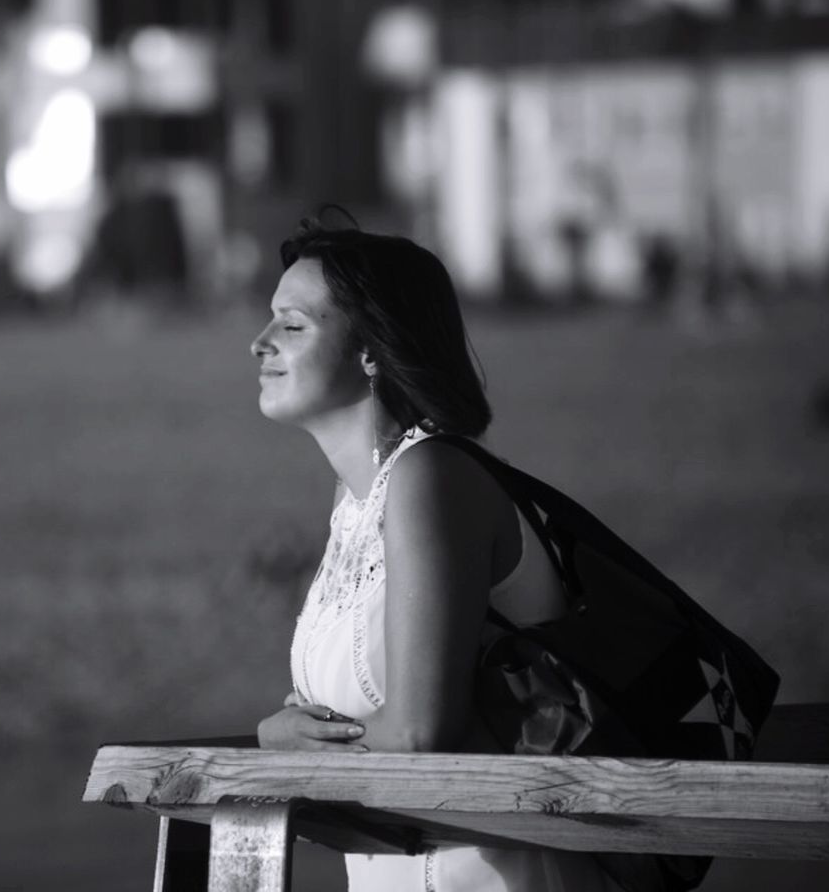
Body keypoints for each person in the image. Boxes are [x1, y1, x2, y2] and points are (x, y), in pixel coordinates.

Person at [250, 216, 624, 891]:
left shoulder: (431, 478)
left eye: (293, 325)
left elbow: (422, 732)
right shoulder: (356, 501)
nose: (259, 343)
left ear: (370, 350)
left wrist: (281, 747)